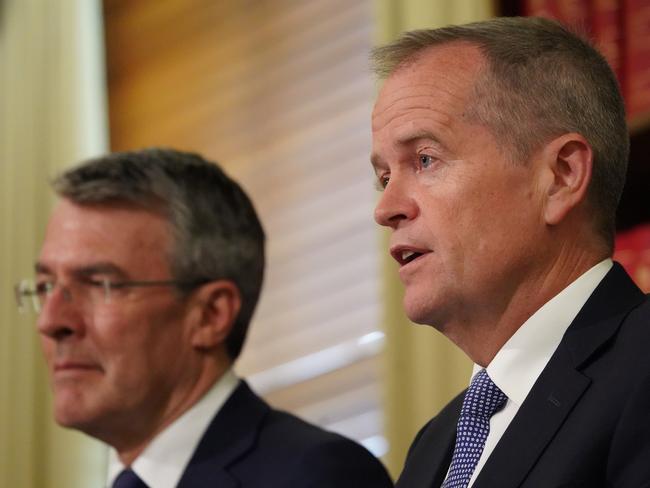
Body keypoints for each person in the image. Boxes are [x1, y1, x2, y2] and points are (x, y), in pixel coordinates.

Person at [370, 16, 650, 488]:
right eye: (383, 178)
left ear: (560, 177)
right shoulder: (433, 448)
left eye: (424, 159)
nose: (386, 209)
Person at [18, 149, 393, 488]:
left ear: (210, 315)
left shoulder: (316, 477)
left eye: (99, 285)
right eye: (46, 285)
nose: (51, 321)